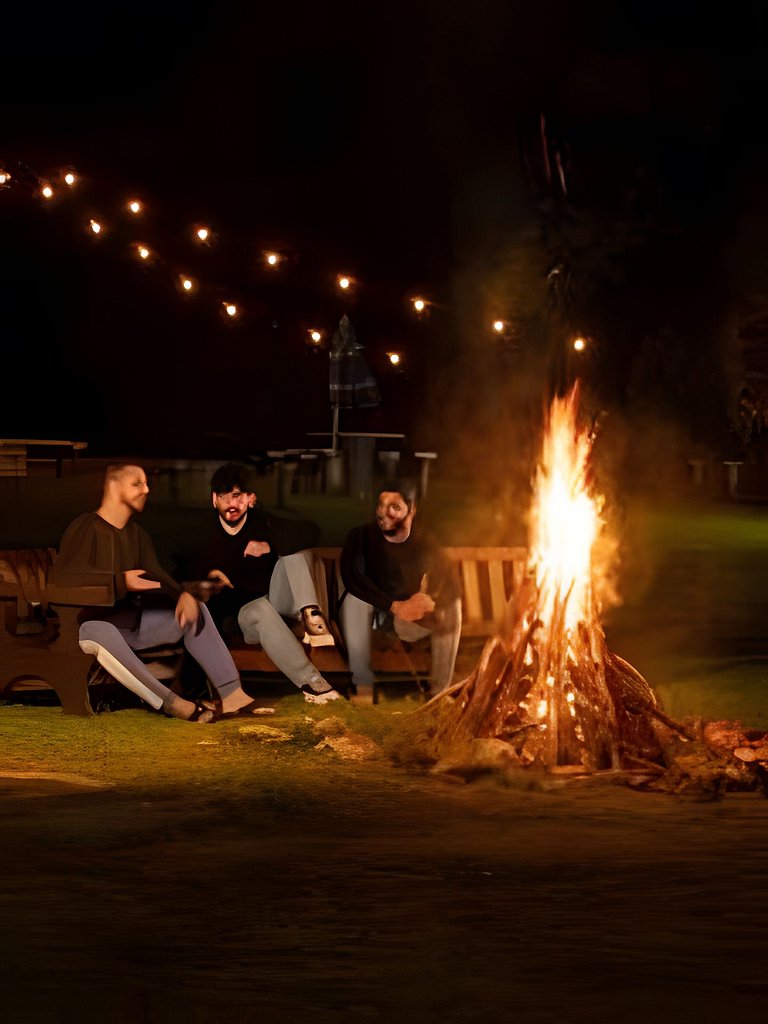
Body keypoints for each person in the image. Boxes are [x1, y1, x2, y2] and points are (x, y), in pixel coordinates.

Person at [51, 464, 263, 723]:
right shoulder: (86, 527)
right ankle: (173, 704)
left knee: (197, 610)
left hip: (133, 623)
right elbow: (62, 580)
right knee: (102, 633)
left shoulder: (137, 535)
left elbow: (158, 576)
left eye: (146, 483)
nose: (147, 490)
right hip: (86, 626)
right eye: (137, 484)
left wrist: (183, 595)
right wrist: (119, 581)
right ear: (114, 486)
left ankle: (232, 694)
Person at [190, 462, 343, 705]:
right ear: (214, 500)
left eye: (237, 496)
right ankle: (316, 686)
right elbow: (187, 571)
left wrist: (268, 546)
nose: (231, 504)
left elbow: (311, 531)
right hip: (246, 618)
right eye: (223, 497)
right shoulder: (203, 533)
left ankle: (311, 618)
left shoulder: (263, 523)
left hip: (280, 603)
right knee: (259, 609)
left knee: (294, 554)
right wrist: (210, 576)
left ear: (250, 498)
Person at [339, 480, 462, 700]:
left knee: (452, 604)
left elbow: (448, 580)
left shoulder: (426, 541)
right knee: (353, 599)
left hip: (408, 620)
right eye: (382, 505)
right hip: (377, 614)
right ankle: (363, 686)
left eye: (395, 507)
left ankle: (439, 693)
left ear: (411, 510)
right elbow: (352, 577)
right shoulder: (360, 536)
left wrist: (430, 600)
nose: (385, 513)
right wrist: (393, 605)